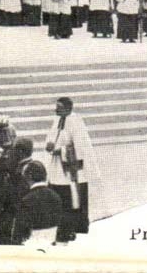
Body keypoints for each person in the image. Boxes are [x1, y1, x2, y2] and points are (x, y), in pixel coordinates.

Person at [44, 97, 96, 243]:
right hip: (57, 168)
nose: (55, 110)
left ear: (68, 109)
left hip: (70, 170)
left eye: (59, 107)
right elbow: (52, 137)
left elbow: (80, 148)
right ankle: (61, 229)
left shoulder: (76, 122)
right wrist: (49, 145)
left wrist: (60, 151)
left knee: (71, 200)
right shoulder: (58, 119)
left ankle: (72, 230)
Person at [11, 161, 63, 246]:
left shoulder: (26, 200)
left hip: (31, 246)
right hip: (52, 245)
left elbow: (18, 235)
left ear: (28, 177)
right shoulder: (56, 196)